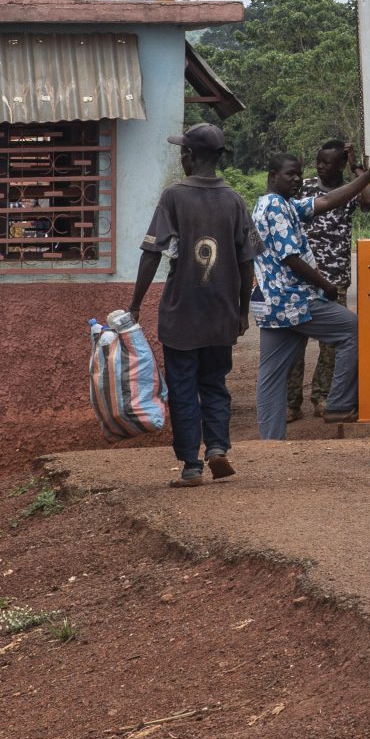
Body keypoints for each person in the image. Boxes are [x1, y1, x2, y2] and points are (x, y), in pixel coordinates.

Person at [128, 123, 255, 488]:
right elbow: (247, 262)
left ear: (190, 156)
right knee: (214, 382)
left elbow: (152, 253)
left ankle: (191, 465)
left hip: (182, 314)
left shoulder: (173, 197)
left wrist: (135, 303)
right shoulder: (234, 200)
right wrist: (242, 311)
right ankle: (217, 447)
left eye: (183, 151)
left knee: (183, 388)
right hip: (221, 314)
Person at [252, 146, 370, 438]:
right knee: (355, 330)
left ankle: (270, 443)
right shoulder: (275, 207)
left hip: (274, 305)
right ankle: (338, 403)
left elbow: (325, 201)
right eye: (290, 174)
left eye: (299, 174)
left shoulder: (280, 203)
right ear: (273, 176)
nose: (297, 179)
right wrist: (325, 285)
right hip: (294, 300)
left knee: (271, 376)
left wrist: (365, 177)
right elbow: (291, 257)